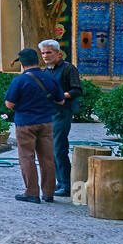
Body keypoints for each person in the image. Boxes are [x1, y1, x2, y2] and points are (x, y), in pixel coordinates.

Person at [4, 48, 64, 203]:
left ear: (22, 63)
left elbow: (9, 104)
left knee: (27, 157)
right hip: (46, 122)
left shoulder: (19, 80)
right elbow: (61, 100)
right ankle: (49, 193)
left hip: (25, 123)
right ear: (37, 60)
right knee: (47, 158)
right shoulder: (49, 78)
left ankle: (32, 192)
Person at [40, 38, 82, 198]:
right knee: (50, 150)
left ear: (58, 53)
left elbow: (77, 90)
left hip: (63, 112)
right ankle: (60, 181)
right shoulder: (46, 71)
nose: (45, 55)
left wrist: (61, 95)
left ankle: (66, 185)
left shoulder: (68, 68)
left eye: (48, 52)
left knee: (59, 148)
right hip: (48, 114)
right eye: (43, 53)